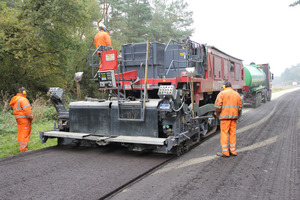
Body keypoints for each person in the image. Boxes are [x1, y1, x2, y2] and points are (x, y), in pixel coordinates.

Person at [214, 81, 242, 157]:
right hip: (233, 118)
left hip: (224, 118)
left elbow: (217, 106)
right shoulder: (237, 94)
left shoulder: (222, 94)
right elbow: (240, 107)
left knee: (224, 133)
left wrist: (217, 113)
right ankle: (233, 151)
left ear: (224, 87)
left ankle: (225, 152)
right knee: (232, 134)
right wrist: (237, 115)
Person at [9, 87, 33, 152]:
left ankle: (21, 146)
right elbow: (27, 111)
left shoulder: (15, 99)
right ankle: (23, 149)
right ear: (24, 92)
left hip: (18, 119)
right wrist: (31, 117)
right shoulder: (23, 100)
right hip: (24, 119)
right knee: (24, 133)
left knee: (21, 132)